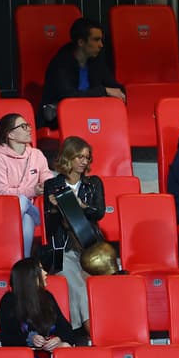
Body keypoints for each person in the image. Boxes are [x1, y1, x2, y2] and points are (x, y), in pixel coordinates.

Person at [41, 136, 107, 330]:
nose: (84, 162)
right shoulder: (52, 185)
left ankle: (83, 332)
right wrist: (53, 209)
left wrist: (81, 205)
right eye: (79, 157)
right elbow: (50, 225)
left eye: (87, 158)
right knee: (78, 286)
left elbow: (99, 212)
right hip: (60, 249)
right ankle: (91, 333)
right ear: (67, 157)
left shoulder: (93, 183)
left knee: (94, 285)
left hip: (90, 247)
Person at [0, 257, 88, 358]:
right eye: (40, 269)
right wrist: (30, 340)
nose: (45, 273)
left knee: (69, 357)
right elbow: (7, 339)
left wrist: (59, 340)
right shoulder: (9, 302)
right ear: (29, 277)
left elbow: (66, 329)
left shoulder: (47, 298)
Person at [0, 113, 54, 257]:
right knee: (26, 217)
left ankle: (6, 245)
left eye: (28, 126)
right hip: (5, 212)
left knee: (24, 203)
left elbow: (47, 176)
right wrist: (32, 191)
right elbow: (2, 193)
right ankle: (24, 261)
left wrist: (46, 185)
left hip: (32, 210)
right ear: (10, 134)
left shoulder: (37, 154)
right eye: (23, 127)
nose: (29, 129)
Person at [39, 17, 124, 128]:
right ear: (81, 42)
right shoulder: (61, 64)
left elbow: (116, 88)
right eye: (96, 40)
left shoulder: (96, 61)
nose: (101, 45)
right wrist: (104, 91)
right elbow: (69, 97)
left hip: (92, 116)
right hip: (62, 121)